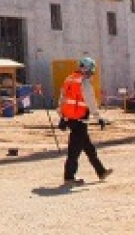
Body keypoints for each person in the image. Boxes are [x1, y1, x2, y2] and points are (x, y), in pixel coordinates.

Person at [58, 56, 113, 186]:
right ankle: (69, 177)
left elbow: (62, 98)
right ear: (88, 69)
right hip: (79, 119)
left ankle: (101, 171)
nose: (92, 73)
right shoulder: (84, 82)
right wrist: (98, 117)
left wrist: (62, 117)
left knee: (88, 147)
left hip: (71, 118)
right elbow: (90, 101)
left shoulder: (69, 79)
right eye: (92, 71)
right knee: (74, 149)